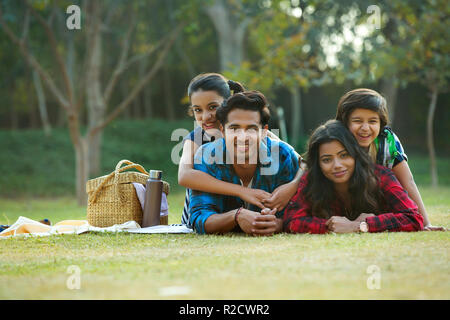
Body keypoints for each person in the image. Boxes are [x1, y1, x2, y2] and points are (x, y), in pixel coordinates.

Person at [178, 73, 303, 227]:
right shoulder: (197, 137)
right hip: (202, 210)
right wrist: (241, 191)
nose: (206, 116)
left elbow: (301, 162)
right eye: (198, 110)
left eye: (213, 107)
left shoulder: (259, 135)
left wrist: (292, 186)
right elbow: (184, 176)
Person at [283, 120, 424, 234]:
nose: (337, 165)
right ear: (317, 163)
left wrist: (360, 226)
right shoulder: (311, 179)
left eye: (344, 155)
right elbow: (291, 221)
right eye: (326, 160)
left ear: (355, 154)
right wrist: (331, 226)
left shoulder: (380, 176)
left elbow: (413, 218)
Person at [335, 88, 444, 231]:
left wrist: (426, 223)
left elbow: (408, 181)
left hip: (378, 204)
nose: (365, 128)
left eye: (373, 121)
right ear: (344, 122)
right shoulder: (334, 139)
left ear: (381, 123)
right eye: (357, 121)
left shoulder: (386, 141)